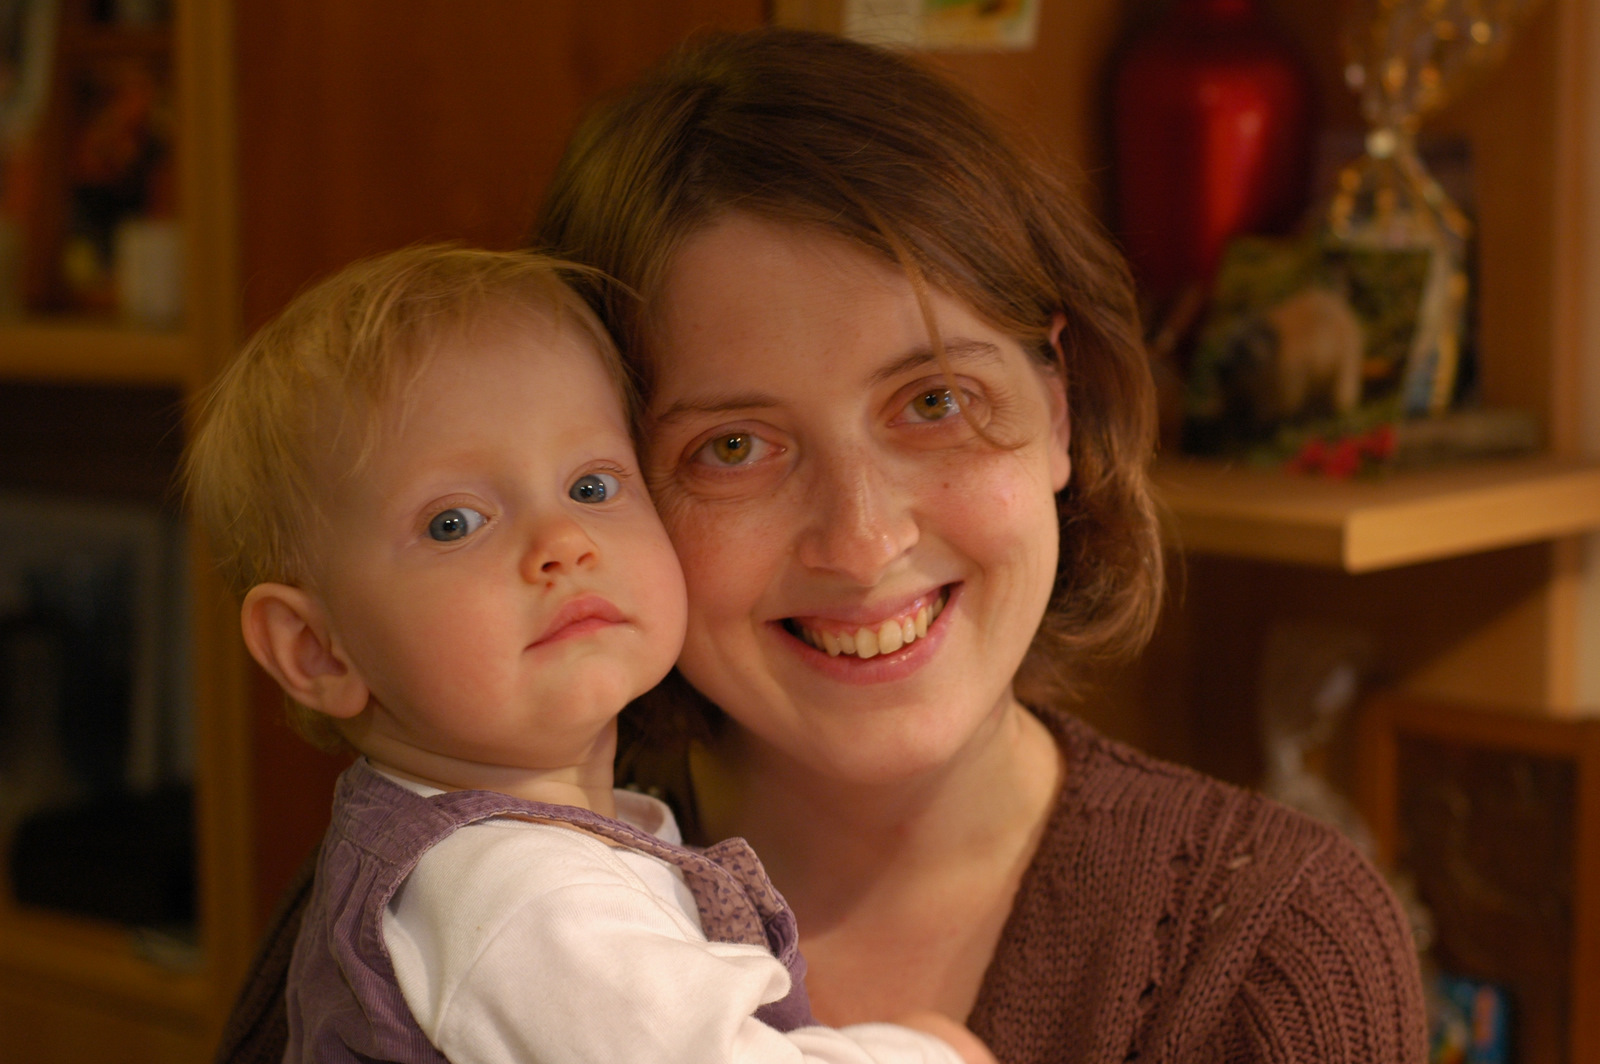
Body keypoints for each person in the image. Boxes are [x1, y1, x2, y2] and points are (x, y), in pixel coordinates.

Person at [214, 27, 1428, 1064]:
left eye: (935, 400)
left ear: (1058, 409)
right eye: (733, 447)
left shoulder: (1273, 955)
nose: (862, 537)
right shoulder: (436, 889)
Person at [186, 244, 992, 1064]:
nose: (562, 542)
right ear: (317, 651)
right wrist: (930, 1055)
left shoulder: (503, 858)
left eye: (593, 488)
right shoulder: (517, 895)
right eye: (455, 524)